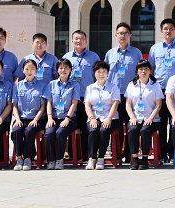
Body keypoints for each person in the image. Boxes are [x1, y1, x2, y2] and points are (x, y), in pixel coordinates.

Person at [146, 18, 175, 161]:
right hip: (160, 90)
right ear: (161, 31)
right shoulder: (155, 48)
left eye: (171, 29)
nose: (168, 31)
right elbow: (151, 68)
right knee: (162, 123)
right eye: (166, 28)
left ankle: (173, 151)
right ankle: (162, 153)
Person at [105, 22, 143, 160]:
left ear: (130, 35)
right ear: (116, 35)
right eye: (120, 33)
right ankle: (117, 153)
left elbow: (141, 72)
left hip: (131, 94)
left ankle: (129, 152)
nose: (123, 36)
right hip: (114, 94)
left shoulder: (136, 53)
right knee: (116, 124)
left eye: (126, 33)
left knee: (130, 123)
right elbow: (104, 73)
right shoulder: (110, 54)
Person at [62, 30, 100, 164]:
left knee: (86, 127)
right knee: (72, 126)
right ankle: (73, 154)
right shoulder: (67, 57)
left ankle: (86, 155)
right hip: (71, 98)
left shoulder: (93, 56)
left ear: (86, 40)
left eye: (82, 38)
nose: (79, 41)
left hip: (87, 97)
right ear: (72, 41)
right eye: (76, 39)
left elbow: (98, 76)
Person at [125, 60, 164, 170]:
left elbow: (159, 104)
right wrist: (132, 117)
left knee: (145, 130)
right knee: (132, 129)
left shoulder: (155, 85)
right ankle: (135, 159)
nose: (143, 71)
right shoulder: (132, 85)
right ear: (137, 71)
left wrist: (151, 118)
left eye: (146, 69)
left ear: (150, 71)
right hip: (136, 118)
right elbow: (128, 104)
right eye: (141, 69)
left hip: (152, 119)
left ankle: (145, 159)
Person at [43, 58, 80, 170]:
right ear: (57, 70)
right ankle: (51, 159)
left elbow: (74, 103)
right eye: (60, 68)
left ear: (70, 69)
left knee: (60, 133)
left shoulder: (75, 85)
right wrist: (49, 118)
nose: (63, 70)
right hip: (54, 117)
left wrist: (67, 118)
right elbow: (49, 102)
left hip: (69, 118)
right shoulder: (51, 84)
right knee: (49, 133)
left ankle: (59, 159)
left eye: (66, 68)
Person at [84, 60, 121, 170]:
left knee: (103, 130)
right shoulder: (90, 88)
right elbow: (87, 105)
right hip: (94, 117)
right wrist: (92, 118)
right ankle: (92, 158)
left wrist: (109, 118)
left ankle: (100, 158)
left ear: (108, 73)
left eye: (104, 71)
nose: (101, 74)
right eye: (98, 71)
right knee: (93, 130)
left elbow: (115, 104)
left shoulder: (113, 87)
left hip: (110, 117)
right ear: (94, 73)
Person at [11, 59, 47, 171]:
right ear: (23, 70)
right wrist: (17, 119)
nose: (29, 71)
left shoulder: (42, 86)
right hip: (21, 118)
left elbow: (43, 107)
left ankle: (28, 158)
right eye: (27, 69)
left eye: (32, 69)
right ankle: (19, 157)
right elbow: (14, 105)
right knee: (16, 130)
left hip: (37, 119)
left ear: (36, 70)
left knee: (29, 131)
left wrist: (35, 120)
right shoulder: (17, 86)